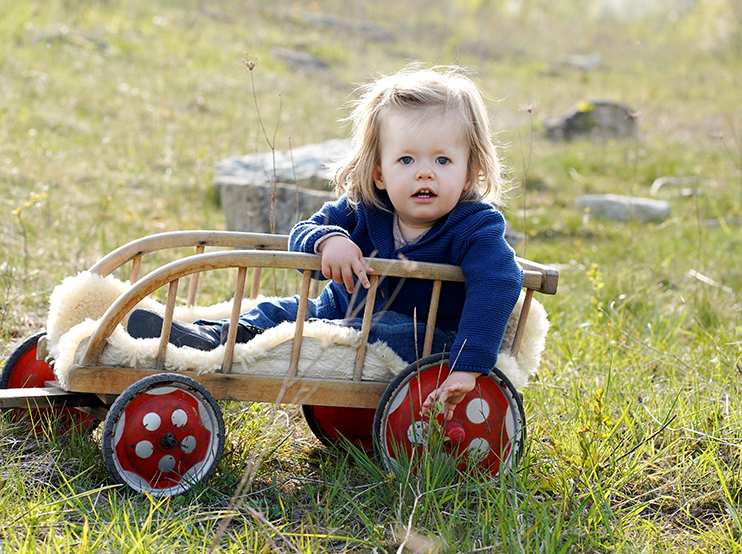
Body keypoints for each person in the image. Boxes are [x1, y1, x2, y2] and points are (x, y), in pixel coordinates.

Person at [128, 65, 523, 421]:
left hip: (424, 338)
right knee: (277, 311)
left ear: (470, 173)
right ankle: (210, 337)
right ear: (379, 173)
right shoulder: (364, 206)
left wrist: (468, 364)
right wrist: (329, 240)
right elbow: (303, 233)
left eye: (442, 161)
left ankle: (287, 335)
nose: (425, 174)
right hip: (331, 313)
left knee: (382, 327)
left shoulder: (476, 226)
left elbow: (499, 283)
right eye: (406, 160)